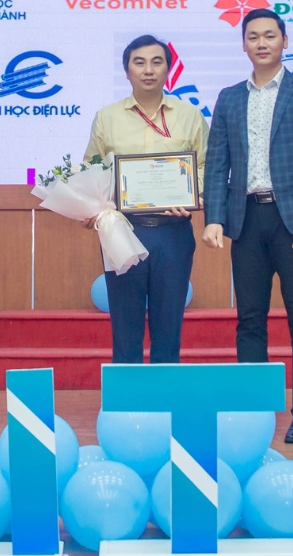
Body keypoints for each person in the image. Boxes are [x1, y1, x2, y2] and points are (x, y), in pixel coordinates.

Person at [201, 9, 293, 443]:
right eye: (253, 37)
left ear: (284, 41)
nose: (261, 43)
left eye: (270, 36)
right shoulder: (229, 98)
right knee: (249, 319)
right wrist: (214, 218)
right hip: (245, 218)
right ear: (243, 44)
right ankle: (253, 411)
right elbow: (217, 162)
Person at [84, 35, 208, 364]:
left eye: (157, 62)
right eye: (139, 63)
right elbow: (92, 169)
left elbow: (206, 165)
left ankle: (163, 392)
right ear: (127, 71)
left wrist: (191, 195)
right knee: (125, 324)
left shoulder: (190, 115)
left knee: (169, 323)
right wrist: (92, 207)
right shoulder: (107, 117)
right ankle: (127, 394)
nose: (148, 70)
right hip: (122, 231)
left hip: (173, 231)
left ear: (168, 69)